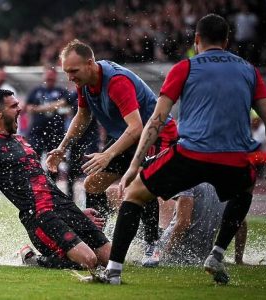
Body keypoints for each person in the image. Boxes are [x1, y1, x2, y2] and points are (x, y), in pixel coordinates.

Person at [106, 14, 266, 285]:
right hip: (234, 159)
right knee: (244, 191)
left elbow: (157, 119)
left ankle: (113, 271)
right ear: (227, 41)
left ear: (197, 40)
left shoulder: (184, 67)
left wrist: (135, 164)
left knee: (134, 194)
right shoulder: (249, 70)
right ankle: (217, 253)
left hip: (191, 154)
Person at [0, 89, 111, 280]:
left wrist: (75, 213)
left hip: (62, 207)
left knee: (110, 259)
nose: (20, 109)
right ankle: (33, 259)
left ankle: (67, 244)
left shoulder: (20, 140)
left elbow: (44, 184)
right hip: (39, 217)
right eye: (14, 106)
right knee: (89, 261)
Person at [46, 39, 178, 267]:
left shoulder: (116, 82)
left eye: (74, 71)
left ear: (90, 63)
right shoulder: (84, 81)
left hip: (157, 134)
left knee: (141, 186)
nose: (70, 77)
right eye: (66, 71)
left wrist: (107, 154)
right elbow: (83, 115)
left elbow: (137, 127)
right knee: (92, 183)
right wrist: (62, 147)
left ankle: (152, 244)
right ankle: (98, 239)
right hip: (130, 136)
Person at [159, 183, 247, 266]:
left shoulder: (187, 181)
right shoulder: (227, 186)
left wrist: (165, 254)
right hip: (203, 256)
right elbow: (240, 223)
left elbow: (183, 223)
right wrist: (238, 260)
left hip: (175, 251)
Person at [25, 67, 72, 181]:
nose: (50, 78)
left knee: (53, 163)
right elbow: (28, 108)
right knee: (34, 160)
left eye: (52, 76)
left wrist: (40, 108)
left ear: (55, 77)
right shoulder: (36, 91)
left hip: (56, 132)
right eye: (48, 76)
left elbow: (67, 108)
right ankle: (35, 185)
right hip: (37, 132)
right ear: (44, 76)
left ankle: (52, 188)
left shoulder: (62, 91)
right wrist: (53, 106)